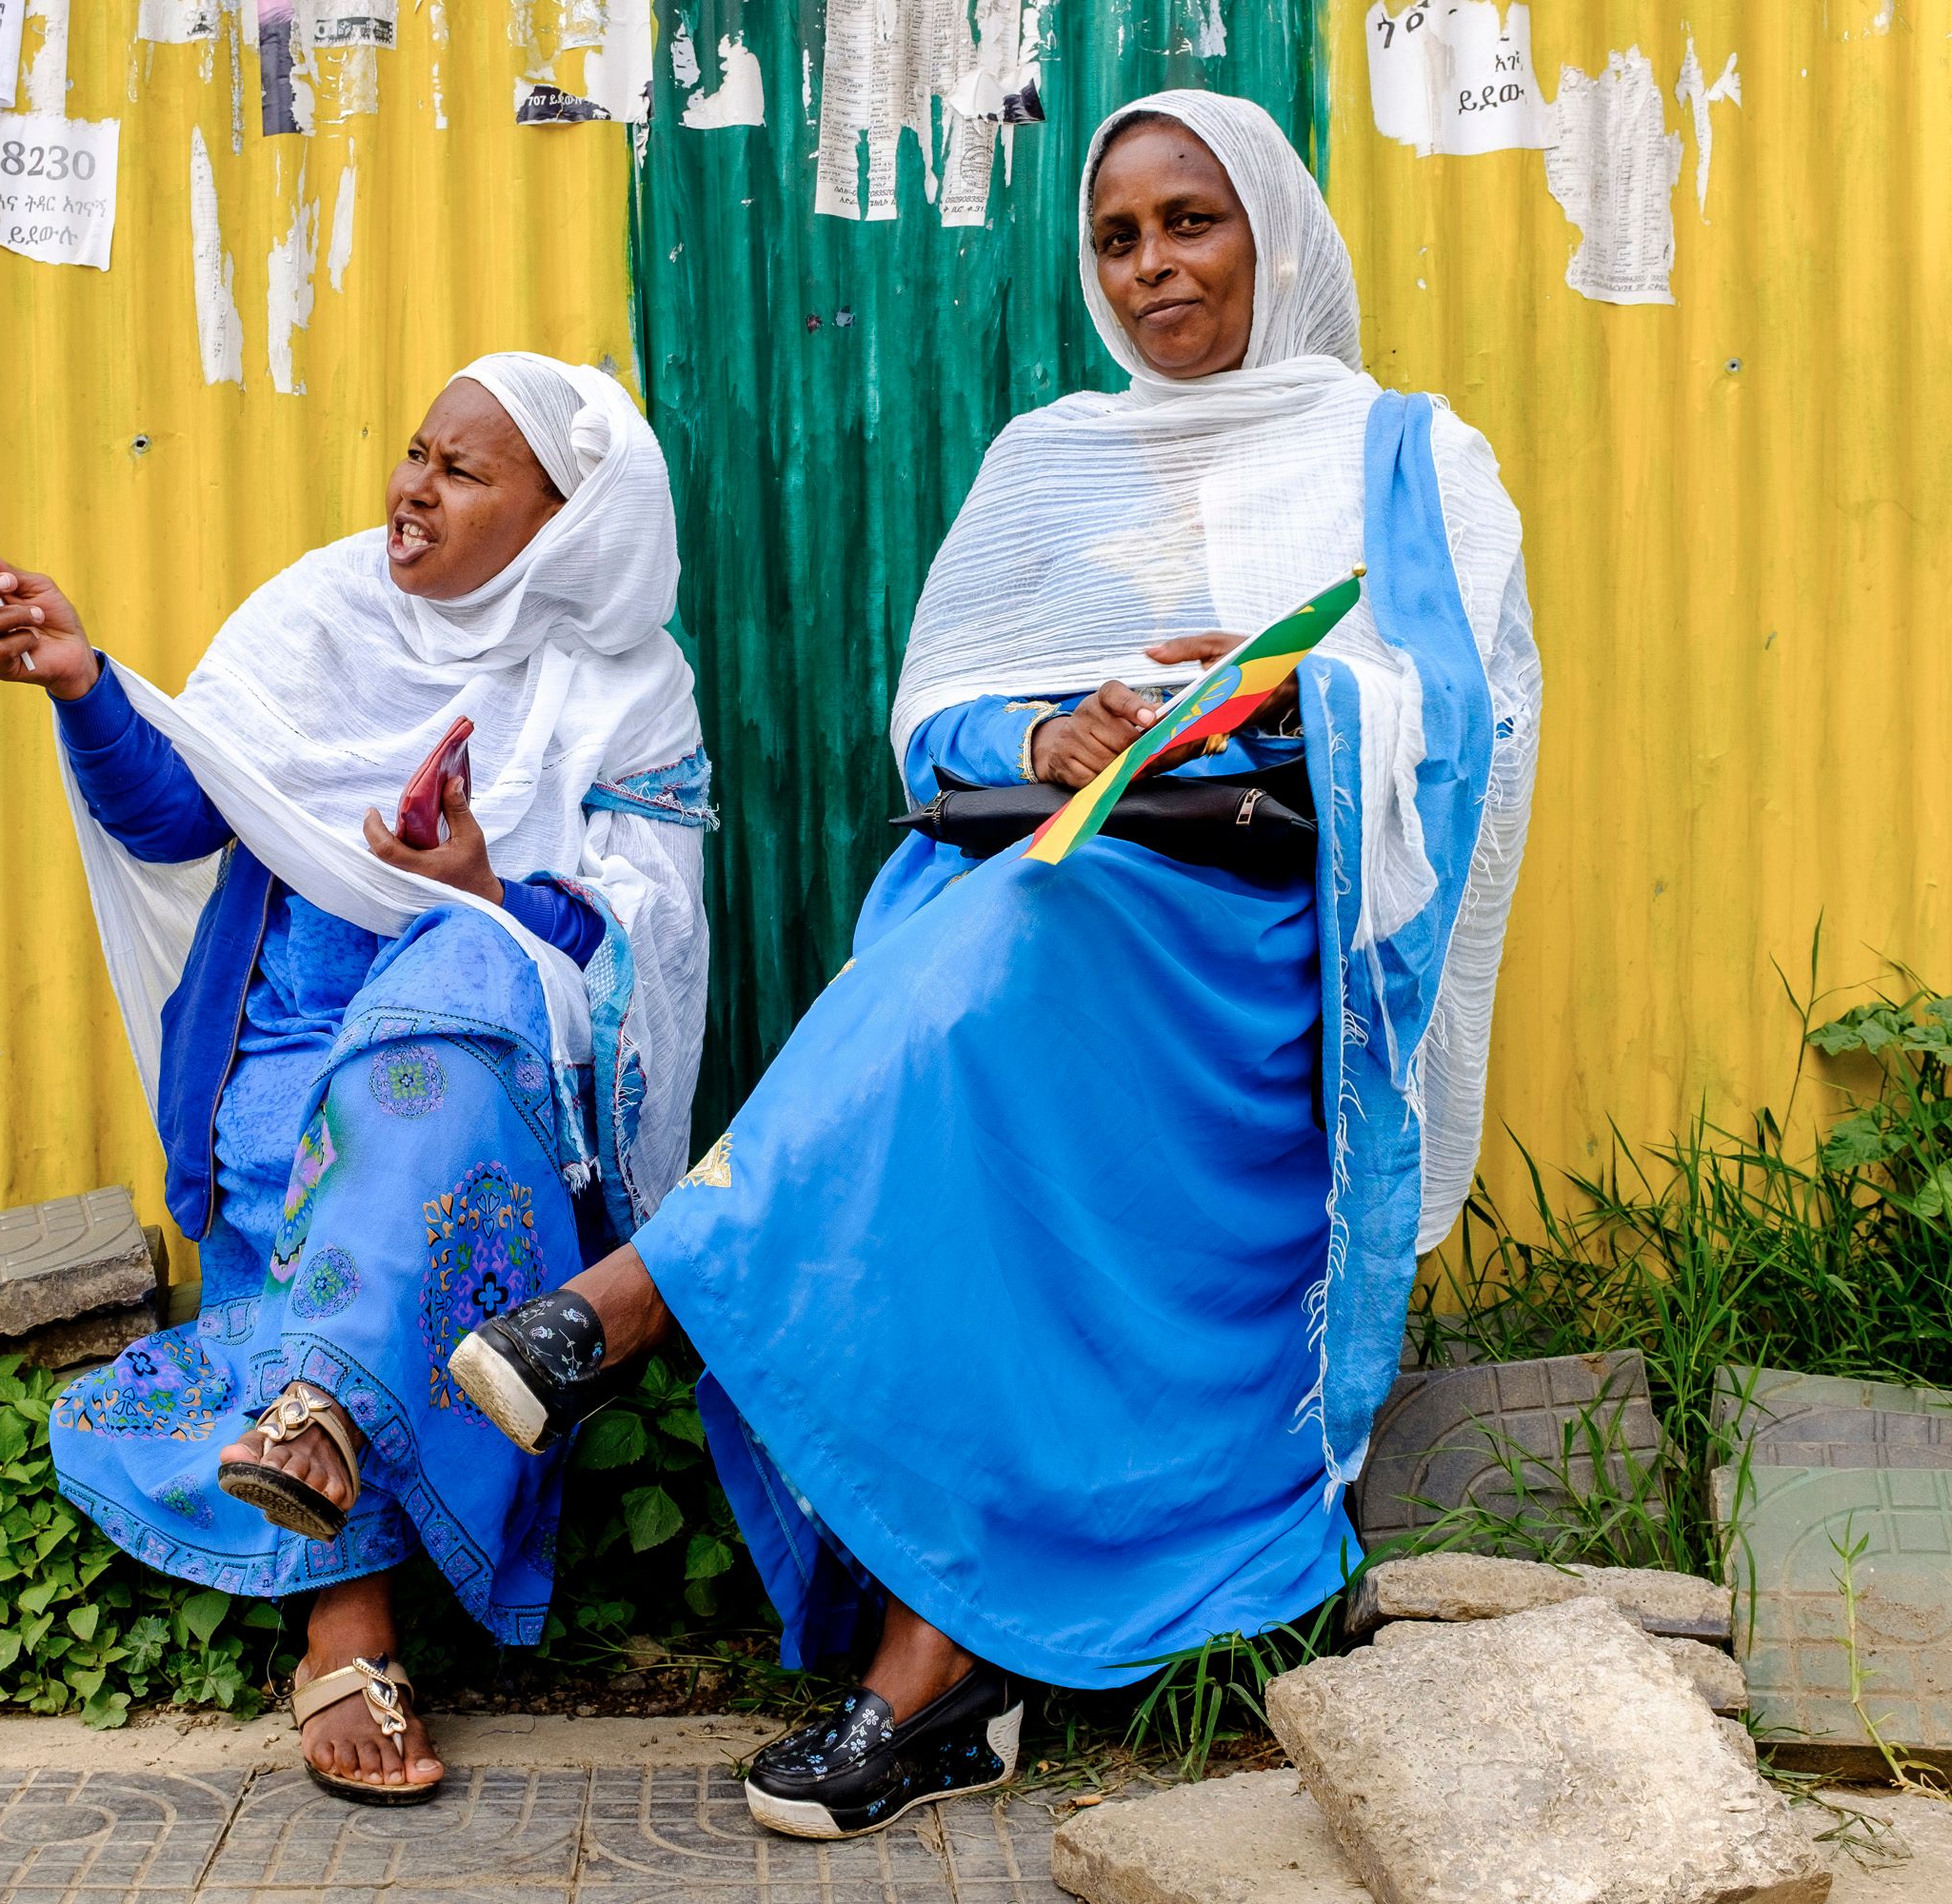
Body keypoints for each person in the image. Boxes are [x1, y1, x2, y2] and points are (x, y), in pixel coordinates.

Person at [446, 91, 1541, 1840]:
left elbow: (1469, 713)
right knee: (978, 984)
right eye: (1119, 237)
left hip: (1262, 937)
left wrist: (1283, 695)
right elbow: (935, 715)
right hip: (1054, 866)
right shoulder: (1052, 455)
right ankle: (932, 1682)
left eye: (1192, 220)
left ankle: (635, 1304)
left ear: (1271, 229)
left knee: (973, 979)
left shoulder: (1408, 455)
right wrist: (1063, 722)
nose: (1155, 262)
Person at [0, 354, 713, 1806]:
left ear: (565, 525)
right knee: (316, 1144)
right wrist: (85, 681)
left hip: (483, 1099)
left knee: (449, 993)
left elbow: (628, 949)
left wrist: (474, 884)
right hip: (284, 1060)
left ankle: (328, 1504)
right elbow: (174, 815)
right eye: (416, 452)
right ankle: (337, 1527)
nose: (411, 488)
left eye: (463, 473)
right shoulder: (320, 615)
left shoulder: (622, 686)